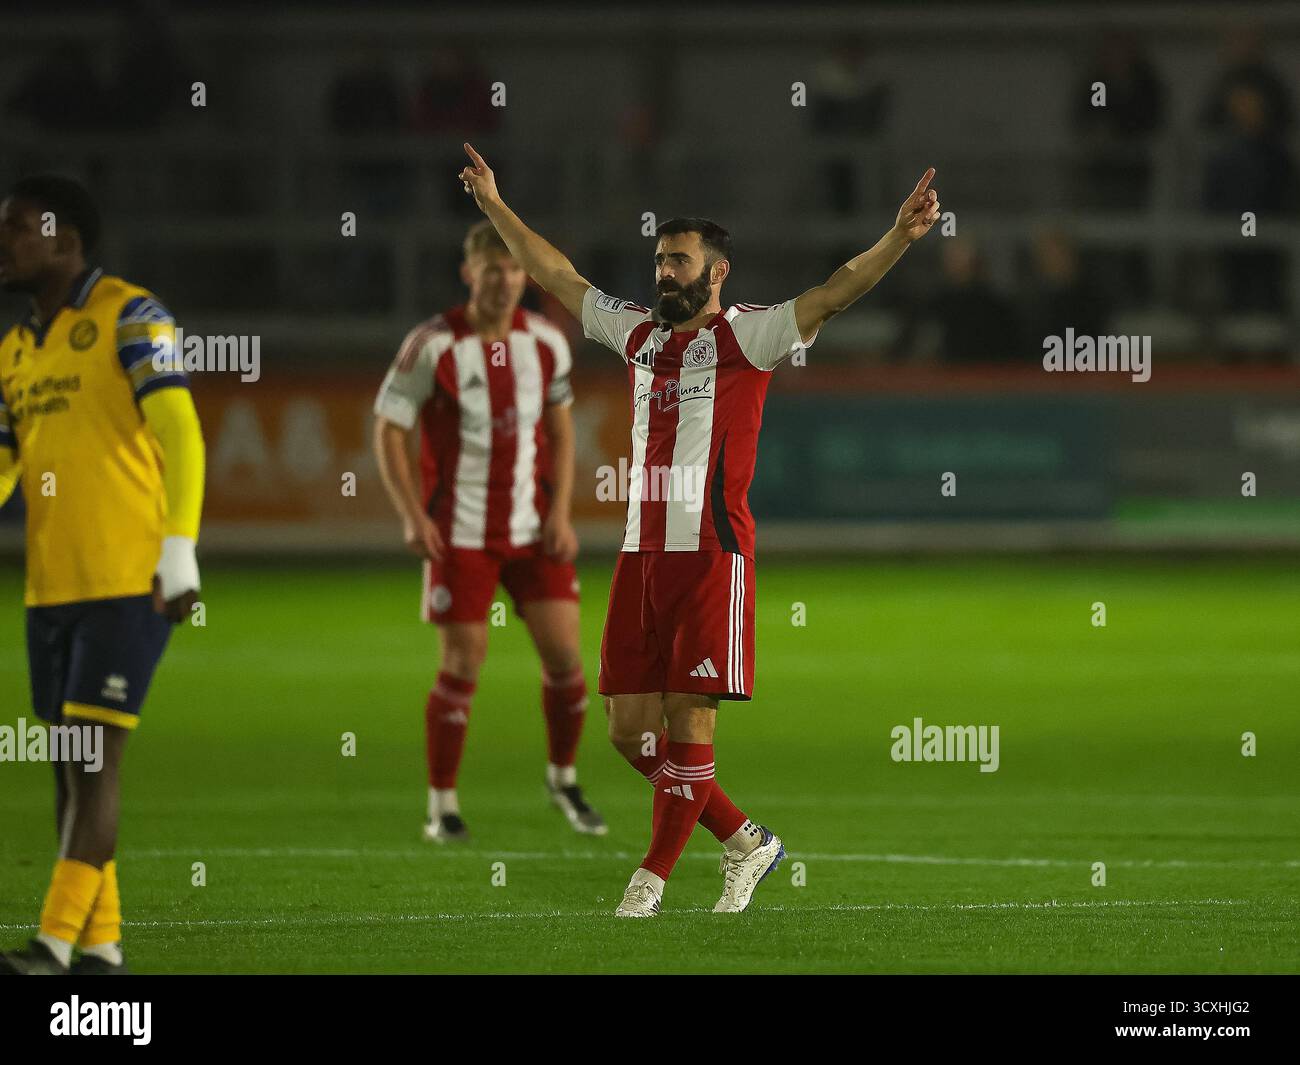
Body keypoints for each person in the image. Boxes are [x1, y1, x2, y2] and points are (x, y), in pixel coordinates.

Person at [458, 142, 939, 915]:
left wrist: (897, 238)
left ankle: (647, 881)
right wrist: (492, 204)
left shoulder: (751, 335)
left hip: (713, 554)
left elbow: (832, 293)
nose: (663, 273)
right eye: (659, 259)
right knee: (626, 729)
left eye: (678, 261)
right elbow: (556, 275)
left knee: (689, 725)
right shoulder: (638, 334)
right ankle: (747, 840)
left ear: (717, 272)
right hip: (640, 555)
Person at [0, 175, 204, 974]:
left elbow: (182, 434)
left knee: (93, 761)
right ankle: (103, 948)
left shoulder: (131, 313)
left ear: (65, 236)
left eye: (17, 227)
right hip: (51, 586)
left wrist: (178, 549)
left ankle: (52, 946)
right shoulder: (16, 347)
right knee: (68, 767)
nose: (3, 241)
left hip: (129, 574)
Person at [373, 220, 606, 842]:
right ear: (468, 273)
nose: (504, 281)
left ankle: (563, 779)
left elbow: (560, 432)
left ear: (525, 277)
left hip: (533, 531)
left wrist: (560, 515)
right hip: (460, 533)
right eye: (491, 269)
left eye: (512, 270)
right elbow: (388, 429)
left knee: (567, 662)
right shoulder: (433, 344)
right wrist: (411, 516)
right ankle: (441, 804)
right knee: (463, 663)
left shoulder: (547, 341)